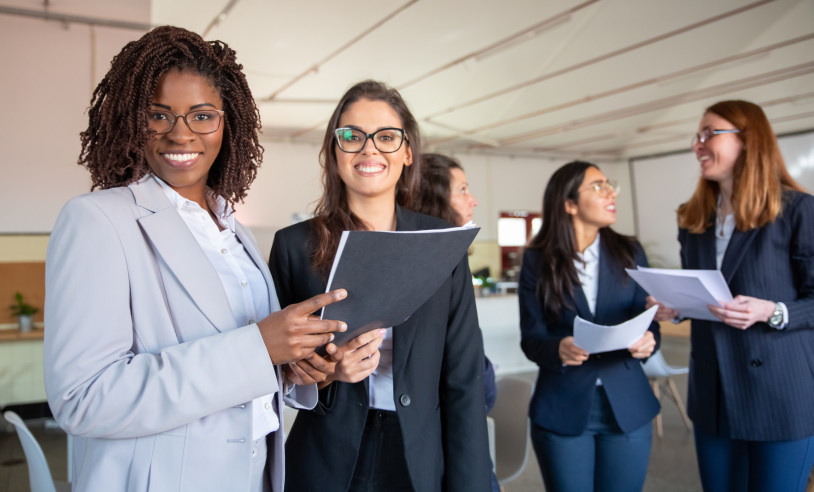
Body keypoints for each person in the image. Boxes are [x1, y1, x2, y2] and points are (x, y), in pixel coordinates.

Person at [43, 26, 348, 492]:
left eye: (202, 115)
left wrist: (288, 368)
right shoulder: (97, 220)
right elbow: (83, 399)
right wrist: (258, 348)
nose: (180, 133)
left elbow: (246, 369)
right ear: (131, 119)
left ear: (227, 123)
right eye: (158, 115)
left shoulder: (234, 229)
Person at [269, 80, 492, 492]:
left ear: (407, 153)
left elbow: (464, 378)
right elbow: (274, 371)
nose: (369, 149)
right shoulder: (294, 246)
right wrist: (326, 375)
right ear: (334, 150)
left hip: (419, 452)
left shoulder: (443, 243)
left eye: (386, 137)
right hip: (326, 454)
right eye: (352, 136)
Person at [649, 100, 814, 491]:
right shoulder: (693, 218)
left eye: (710, 134)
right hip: (713, 392)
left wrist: (772, 311)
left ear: (748, 141)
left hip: (779, 395)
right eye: (697, 136)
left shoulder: (797, 210)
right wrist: (674, 307)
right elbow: (705, 294)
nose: (698, 145)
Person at [518, 161, 661, 492]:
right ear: (569, 204)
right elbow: (531, 339)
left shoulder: (630, 251)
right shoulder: (537, 260)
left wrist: (649, 341)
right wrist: (558, 348)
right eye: (598, 186)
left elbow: (649, 322)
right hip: (562, 406)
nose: (610, 192)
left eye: (609, 185)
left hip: (628, 407)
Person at [416, 152, 499, 492]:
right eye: (462, 190)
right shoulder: (429, 271)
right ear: (435, 200)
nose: (473, 200)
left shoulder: (450, 264)